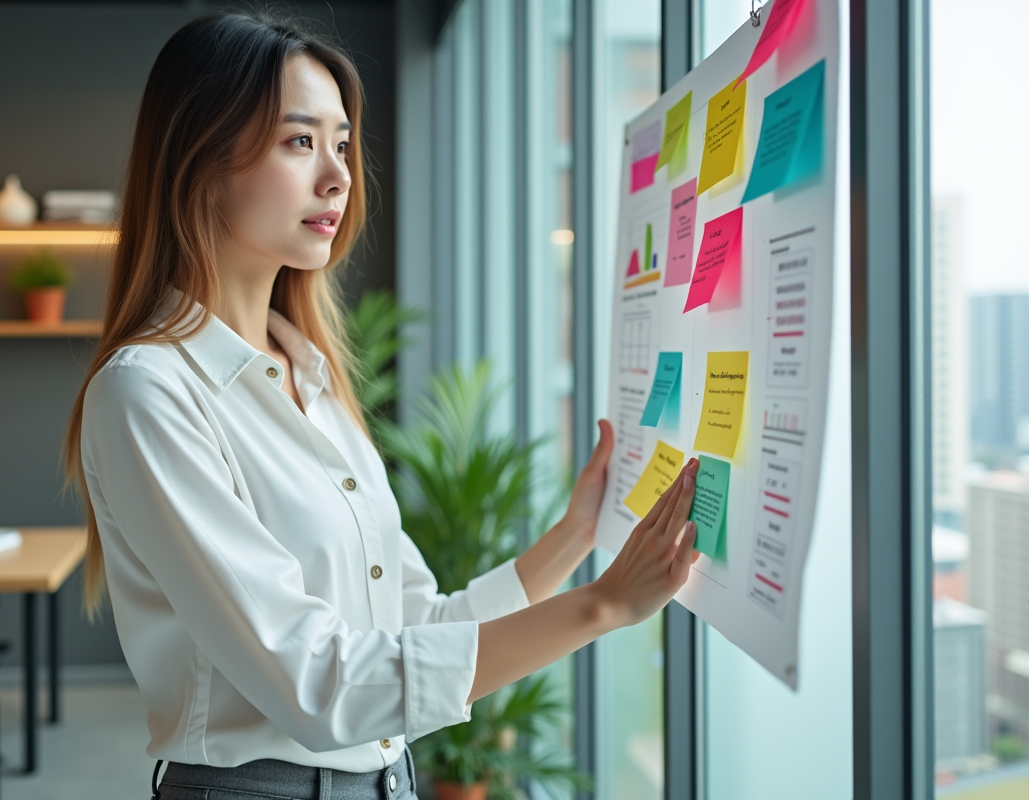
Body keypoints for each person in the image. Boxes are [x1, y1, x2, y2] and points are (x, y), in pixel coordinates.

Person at [66, 11, 701, 800]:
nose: (338, 176)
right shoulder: (148, 392)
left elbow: (414, 629)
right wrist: (601, 607)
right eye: (300, 141)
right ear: (199, 159)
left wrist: (576, 537)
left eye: (340, 144)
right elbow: (319, 685)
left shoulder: (312, 377)